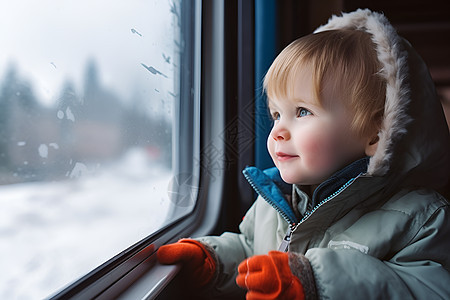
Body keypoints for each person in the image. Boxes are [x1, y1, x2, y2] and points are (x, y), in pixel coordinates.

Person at [157, 9, 450, 299]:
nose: (277, 132)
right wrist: (215, 263)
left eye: (302, 111)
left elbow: (429, 290)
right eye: (275, 114)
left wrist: (318, 282)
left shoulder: (420, 218)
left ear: (376, 133)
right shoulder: (275, 200)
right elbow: (252, 248)